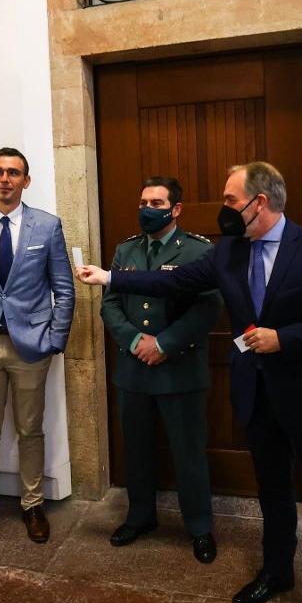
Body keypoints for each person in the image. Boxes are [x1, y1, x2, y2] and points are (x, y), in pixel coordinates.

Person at [79, 162, 302, 603]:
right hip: (256, 393)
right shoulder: (229, 251)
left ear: (261, 202)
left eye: (231, 200)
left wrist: (284, 338)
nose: (225, 209)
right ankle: (277, 572)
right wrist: (111, 277)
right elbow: (174, 281)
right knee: (272, 492)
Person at [0, 147, 75, 544]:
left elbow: (64, 289)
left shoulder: (47, 226)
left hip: (30, 347)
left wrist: (54, 339)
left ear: (26, 180)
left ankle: (32, 504)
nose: (6, 178)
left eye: (14, 172)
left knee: (30, 429)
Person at [100, 176, 221, 563]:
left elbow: (209, 307)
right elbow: (110, 304)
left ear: (176, 209)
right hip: (134, 369)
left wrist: (164, 344)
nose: (147, 209)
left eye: (156, 202)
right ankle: (140, 517)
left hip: (179, 369)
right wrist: (136, 341)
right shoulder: (127, 250)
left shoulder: (199, 250)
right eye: (143, 202)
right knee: (136, 450)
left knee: (188, 454)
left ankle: (200, 527)